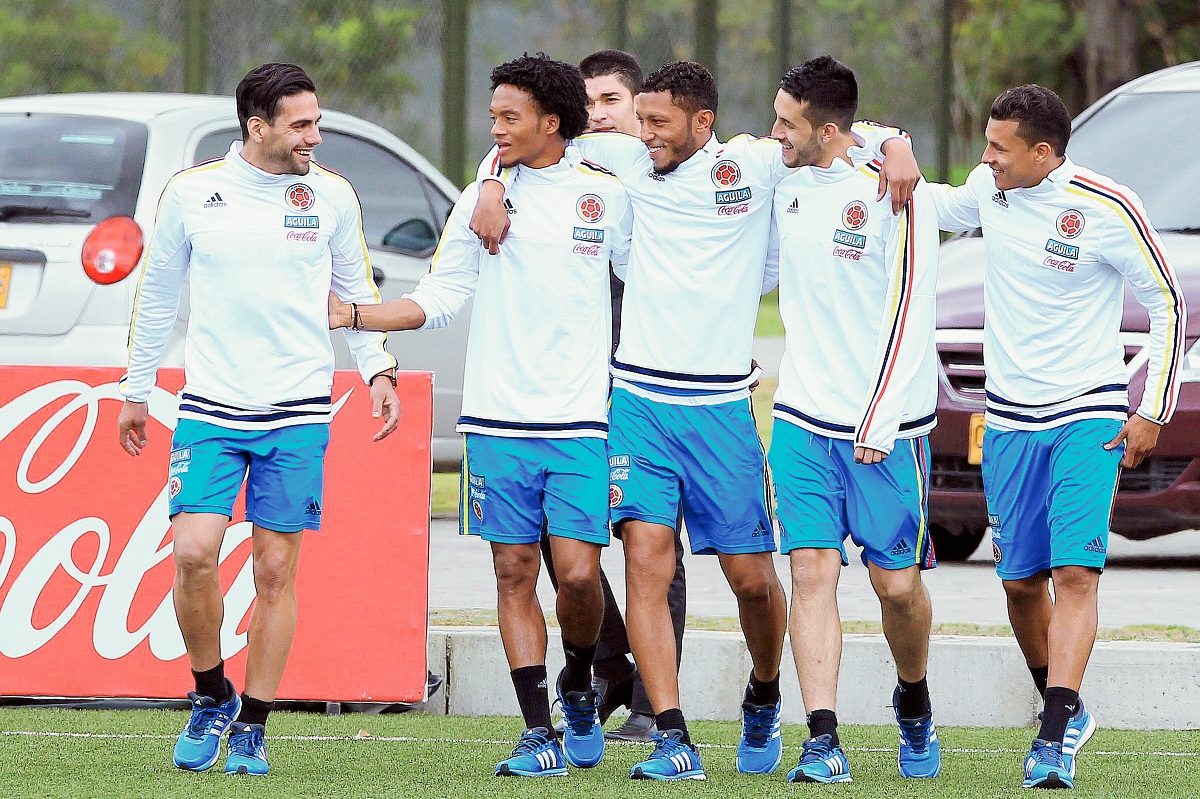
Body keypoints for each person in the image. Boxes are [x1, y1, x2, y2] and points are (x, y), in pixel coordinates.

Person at [471, 60, 921, 781]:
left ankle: (765, 690)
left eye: (657, 123)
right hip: (640, 402)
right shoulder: (620, 159)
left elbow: (830, 135)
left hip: (722, 408)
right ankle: (673, 735)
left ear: (702, 123)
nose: (640, 134)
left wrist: (893, 141)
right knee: (647, 557)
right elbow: (524, 142)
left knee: (752, 581)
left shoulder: (752, 165)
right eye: (637, 119)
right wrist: (493, 180)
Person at [330, 53, 633, 778]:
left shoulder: (610, 195)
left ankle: (582, 682)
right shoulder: (479, 199)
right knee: (512, 570)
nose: (494, 128)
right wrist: (358, 313)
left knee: (582, 578)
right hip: (496, 422)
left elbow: (650, 284)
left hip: (582, 420)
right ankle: (537, 730)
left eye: (509, 117)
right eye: (492, 115)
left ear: (551, 123)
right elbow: (437, 297)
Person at [117, 63, 401, 776]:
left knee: (276, 568)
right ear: (258, 126)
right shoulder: (191, 193)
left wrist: (378, 369)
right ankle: (210, 691)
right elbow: (156, 297)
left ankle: (251, 721)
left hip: (299, 409)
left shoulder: (332, 194)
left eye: (317, 121)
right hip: (211, 406)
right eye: (300, 124)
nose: (315, 135)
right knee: (193, 554)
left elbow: (353, 289)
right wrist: (136, 388)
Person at [925, 84, 1185, 789]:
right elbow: (931, 200)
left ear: (1044, 152)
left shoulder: (1107, 205)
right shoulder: (990, 188)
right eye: (985, 144)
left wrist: (1151, 408)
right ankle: (1063, 704)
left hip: (1087, 416)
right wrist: (877, 142)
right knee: (1018, 584)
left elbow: (1167, 299)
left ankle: (1052, 733)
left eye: (999, 148)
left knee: (1074, 574)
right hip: (1008, 422)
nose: (986, 159)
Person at [763, 56, 941, 784]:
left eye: (786, 123)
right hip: (802, 418)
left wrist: (881, 417)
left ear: (829, 130)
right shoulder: (785, 180)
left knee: (896, 587)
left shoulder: (898, 191)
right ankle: (823, 736)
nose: (774, 133)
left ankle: (914, 697)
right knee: (811, 573)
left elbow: (911, 309)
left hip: (885, 429)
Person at [530, 48, 689, 744]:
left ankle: (658, 705)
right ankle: (608, 660)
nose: (595, 117)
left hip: (652, 383)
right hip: (572, 386)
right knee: (552, 531)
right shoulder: (564, 177)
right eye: (586, 104)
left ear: (644, 109)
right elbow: (505, 154)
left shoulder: (673, 177)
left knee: (649, 539)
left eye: (611, 103)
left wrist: (890, 141)